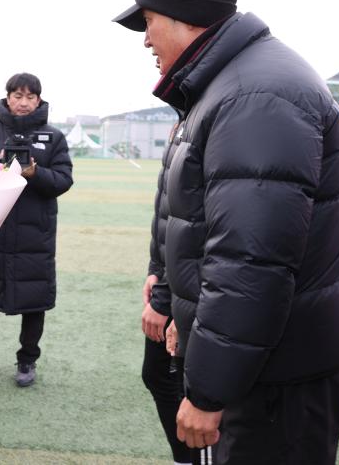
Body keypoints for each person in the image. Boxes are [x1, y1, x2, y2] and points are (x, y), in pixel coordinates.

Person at [113, 0, 339, 463]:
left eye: (149, 22)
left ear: (184, 16)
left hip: (278, 378)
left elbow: (251, 261)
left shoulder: (257, 95)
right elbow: (205, 227)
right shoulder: (233, 83)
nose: (145, 40)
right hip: (268, 365)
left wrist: (210, 390)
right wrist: (181, 307)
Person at [0, 72, 73, 387]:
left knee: (34, 300)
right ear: (8, 97)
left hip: (35, 234)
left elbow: (64, 180)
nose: (23, 102)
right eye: (18, 96)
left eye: (30, 97)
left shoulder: (53, 137)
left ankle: (27, 360)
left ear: (38, 100)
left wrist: (35, 173)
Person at [141, 121, 191, 464]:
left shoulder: (208, 114)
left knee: (194, 389)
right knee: (158, 374)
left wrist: (165, 297)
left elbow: (196, 222)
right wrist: (155, 268)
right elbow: (168, 210)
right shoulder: (184, 117)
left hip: (189, 286)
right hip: (170, 277)